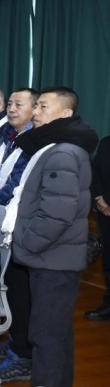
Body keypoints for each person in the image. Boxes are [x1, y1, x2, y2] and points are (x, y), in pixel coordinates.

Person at [0, 87, 98, 387]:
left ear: (65, 114)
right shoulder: (58, 147)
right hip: (55, 258)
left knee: (45, 335)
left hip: (51, 258)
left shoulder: (63, 153)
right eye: (37, 105)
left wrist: (26, 244)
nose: (36, 111)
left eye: (43, 106)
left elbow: (56, 215)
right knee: (57, 332)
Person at [0, 88, 38, 384]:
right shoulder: (8, 135)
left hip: (13, 222)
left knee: (20, 290)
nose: (12, 109)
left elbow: (15, 186)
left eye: (19, 104)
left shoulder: (35, 143)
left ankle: (22, 356)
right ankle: (15, 341)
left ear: (36, 110)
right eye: (11, 104)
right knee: (10, 288)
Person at [85, 134, 110, 321]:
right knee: (108, 261)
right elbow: (96, 172)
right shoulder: (106, 142)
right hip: (105, 211)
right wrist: (100, 199)